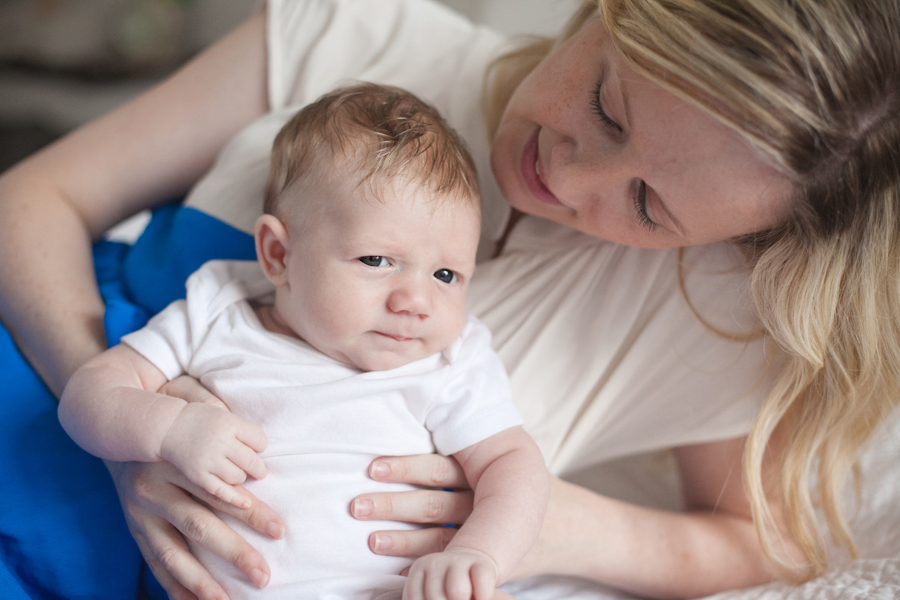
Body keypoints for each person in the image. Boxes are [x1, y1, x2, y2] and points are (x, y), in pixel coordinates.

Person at [0, 0, 897, 599]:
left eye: (649, 205)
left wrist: (546, 523)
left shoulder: (713, 311)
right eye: (606, 106)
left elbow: (768, 544)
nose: (570, 176)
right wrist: (134, 432)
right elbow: (31, 200)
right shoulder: (361, 32)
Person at [57, 83, 548, 600]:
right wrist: (170, 427)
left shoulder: (449, 360)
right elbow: (89, 394)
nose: (417, 301)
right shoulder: (219, 311)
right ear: (278, 254)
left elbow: (513, 464)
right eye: (377, 261)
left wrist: (479, 555)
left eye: (446, 274)